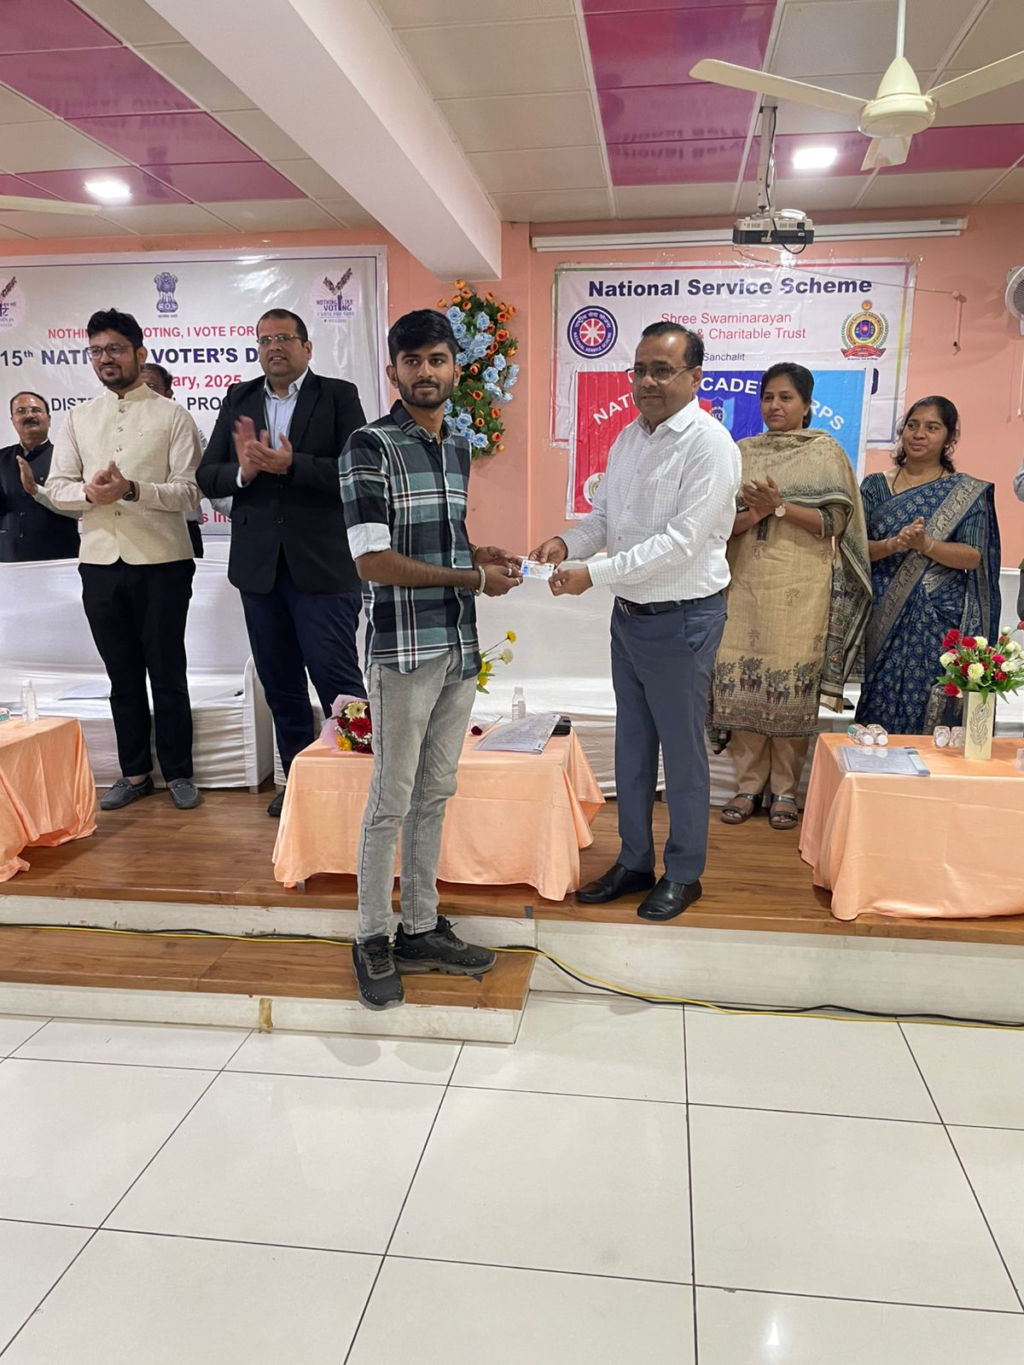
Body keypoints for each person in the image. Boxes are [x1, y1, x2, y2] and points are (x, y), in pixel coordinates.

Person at [339, 309, 521, 1010]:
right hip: (401, 648)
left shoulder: (457, 448)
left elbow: (434, 537)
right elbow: (373, 559)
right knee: (391, 796)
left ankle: (419, 925)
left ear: (455, 368)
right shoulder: (369, 445)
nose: (425, 372)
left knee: (435, 790)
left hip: (456, 646)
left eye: (436, 359)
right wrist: (473, 578)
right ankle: (370, 936)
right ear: (393, 372)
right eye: (412, 361)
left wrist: (477, 553)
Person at [532, 321, 741, 922]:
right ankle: (633, 861)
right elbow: (604, 519)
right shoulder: (629, 438)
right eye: (640, 370)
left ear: (694, 378)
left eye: (662, 370)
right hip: (629, 616)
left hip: (683, 618)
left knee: (681, 752)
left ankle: (684, 872)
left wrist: (594, 574)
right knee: (632, 747)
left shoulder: (709, 445)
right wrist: (566, 544)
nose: (647, 382)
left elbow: (680, 543)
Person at [197, 308, 367, 817]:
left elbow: (358, 470)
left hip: (323, 565)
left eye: (285, 338)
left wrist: (295, 464)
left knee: (338, 681)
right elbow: (208, 475)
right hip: (260, 570)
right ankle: (299, 781)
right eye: (265, 339)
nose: (274, 347)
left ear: (307, 347)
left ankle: (357, 780)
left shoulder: (337, 395)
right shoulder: (239, 398)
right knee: (280, 684)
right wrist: (244, 474)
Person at [46, 308, 204, 811]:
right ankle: (134, 772)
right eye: (96, 351)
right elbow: (57, 487)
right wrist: (89, 494)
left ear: (139, 353)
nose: (105, 359)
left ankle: (179, 772)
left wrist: (133, 489)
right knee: (121, 674)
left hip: (163, 562)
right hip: (98, 562)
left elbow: (189, 492)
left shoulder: (173, 416)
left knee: (167, 671)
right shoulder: (78, 417)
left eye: (114, 349)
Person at [710, 364, 871, 831]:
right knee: (739, 681)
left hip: (800, 589)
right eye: (768, 397)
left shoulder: (824, 451)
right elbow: (719, 523)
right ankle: (748, 785)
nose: (774, 406)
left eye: (785, 398)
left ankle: (784, 789)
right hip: (744, 584)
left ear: (806, 405)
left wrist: (779, 506)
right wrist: (755, 513)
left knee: (790, 688)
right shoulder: (741, 452)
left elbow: (834, 523)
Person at [856, 395, 1001, 735]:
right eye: (912, 425)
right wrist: (894, 544)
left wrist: (925, 545)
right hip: (884, 612)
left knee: (931, 704)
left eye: (932, 428)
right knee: (878, 703)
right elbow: (855, 549)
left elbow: (973, 555)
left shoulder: (965, 492)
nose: (919, 434)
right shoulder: (874, 486)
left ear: (950, 438)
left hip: (939, 618)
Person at [0, 392, 80, 561]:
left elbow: (79, 509)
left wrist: (35, 490)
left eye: (36, 410)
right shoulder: (2, 458)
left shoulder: (68, 457)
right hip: (8, 558)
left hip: (60, 557)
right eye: (21, 411)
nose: (29, 415)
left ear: (49, 419)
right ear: (12, 421)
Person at [141, 363, 208, 558]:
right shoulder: (115, 433)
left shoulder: (188, 430)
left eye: (151, 387)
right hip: (133, 532)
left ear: (168, 393)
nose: (143, 393)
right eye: (137, 387)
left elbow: (202, 482)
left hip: (181, 530)